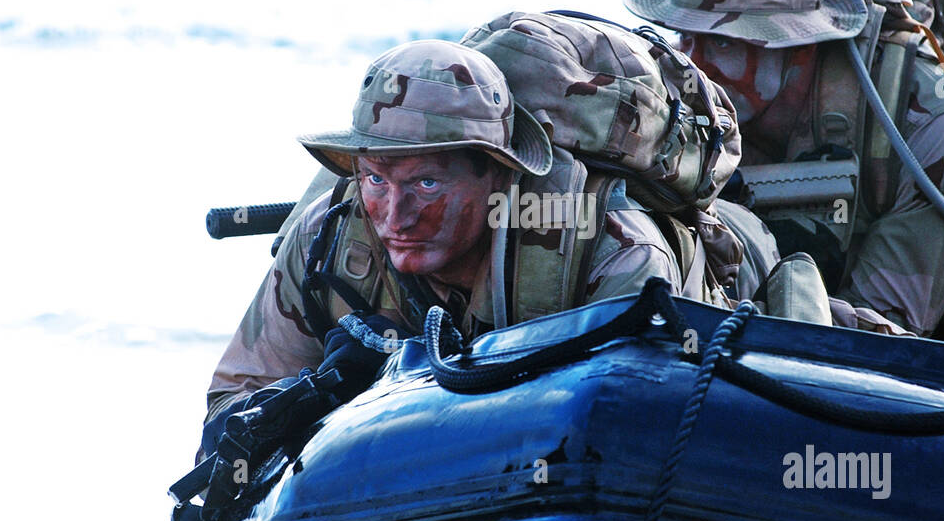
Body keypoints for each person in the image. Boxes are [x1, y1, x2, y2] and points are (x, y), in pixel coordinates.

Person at [203, 40, 689, 441]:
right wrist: (318, 398)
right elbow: (228, 414)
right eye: (375, 180)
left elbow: (636, 433)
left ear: (500, 175)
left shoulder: (610, 254)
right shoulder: (325, 239)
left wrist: (400, 390)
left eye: (427, 184)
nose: (396, 217)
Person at [624, 0, 944, 337]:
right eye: (685, 36)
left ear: (798, 46)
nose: (692, 66)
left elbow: (888, 338)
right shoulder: (690, 104)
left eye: (721, 41)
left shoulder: (923, 126)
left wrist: (736, 301)